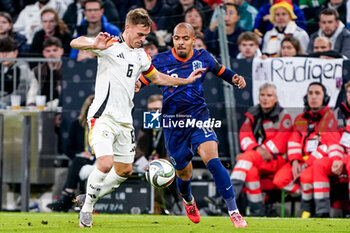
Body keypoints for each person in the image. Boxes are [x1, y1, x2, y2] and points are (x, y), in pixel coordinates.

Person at [70, 8, 204, 228]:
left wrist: (185, 81)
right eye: (140, 35)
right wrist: (94, 45)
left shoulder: (142, 55)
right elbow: (75, 42)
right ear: (128, 28)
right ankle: (87, 210)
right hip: (103, 117)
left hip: (124, 121)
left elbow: (158, 77)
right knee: (105, 164)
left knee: (124, 171)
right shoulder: (110, 45)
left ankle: (90, 197)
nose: (143, 40)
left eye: (145, 36)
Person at [137, 22, 248, 228]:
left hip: (199, 117)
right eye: (177, 38)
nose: (180, 42)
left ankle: (234, 212)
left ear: (193, 40)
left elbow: (222, 71)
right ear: (172, 38)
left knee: (212, 160)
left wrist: (235, 78)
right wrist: (135, 85)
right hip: (173, 123)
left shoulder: (203, 57)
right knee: (183, 173)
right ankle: (188, 200)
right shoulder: (160, 60)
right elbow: (143, 80)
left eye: (185, 38)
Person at [273, 82, 343, 218]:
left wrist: (307, 163)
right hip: (300, 160)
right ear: (306, 98)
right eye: (310, 93)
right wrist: (294, 162)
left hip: (319, 161)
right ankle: (308, 194)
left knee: (306, 177)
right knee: (279, 180)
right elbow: (293, 142)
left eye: (317, 93)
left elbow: (329, 146)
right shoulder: (300, 119)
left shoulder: (331, 118)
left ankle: (308, 209)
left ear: (325, 98)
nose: (313, 97)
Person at [231, 83, 292, 216]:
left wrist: (255, 151)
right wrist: (256, 149)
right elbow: (244, 136)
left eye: (269, 95)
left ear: (276, 98)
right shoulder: (253, 113)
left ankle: (227, 198)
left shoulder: (283, 115)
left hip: (277, 160)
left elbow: (280, 143)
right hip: (258, 158)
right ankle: (257, 212)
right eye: (262, 95)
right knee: (250, 171)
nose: (265, 98)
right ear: (258, 97)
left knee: (245, 157)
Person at [47, 95, 96, 212]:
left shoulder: (104, 126)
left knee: (77, 162)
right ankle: (70, 197)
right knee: (78, 160)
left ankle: (67, 195)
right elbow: (68, 148)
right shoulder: (77, 125)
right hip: (83, 158)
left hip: (100, 157)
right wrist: (82, 153)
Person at [134, 94, 180, 215]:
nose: (154, 112)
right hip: (145, 165)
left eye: (157, 109)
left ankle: (161, 208)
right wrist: (145, 163)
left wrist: (158, 163)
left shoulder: (172, 125)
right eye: (151, 110)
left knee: (158, 173)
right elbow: (138, 151)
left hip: (166, 165)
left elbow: (173, 152)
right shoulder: (147, 125)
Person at [311, 81, 350, 217]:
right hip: (338, 158)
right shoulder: (336, 114)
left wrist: (344, 160)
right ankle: (322, 212)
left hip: (347, 160)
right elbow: (332, 140)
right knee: (319, 164)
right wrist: (337, 160)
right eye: (349, 92)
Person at [27, 37, 64, 107]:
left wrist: (49, 105)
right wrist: (31, 103)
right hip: (41, 107)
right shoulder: (37, 71)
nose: (51, 54)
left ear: (61, 51)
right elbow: (32, 90)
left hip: (61, 107)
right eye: (48, 51)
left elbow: (66, 95)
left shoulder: (67, 69)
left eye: (55, 50)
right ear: (44, 53)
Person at [0, 37, 33, 106]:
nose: (4, 55)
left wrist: (2, 102)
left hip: (16, 108)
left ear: (15, 53)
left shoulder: (23, 68)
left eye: (7, 52)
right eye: (1, 52)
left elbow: (22, 93)